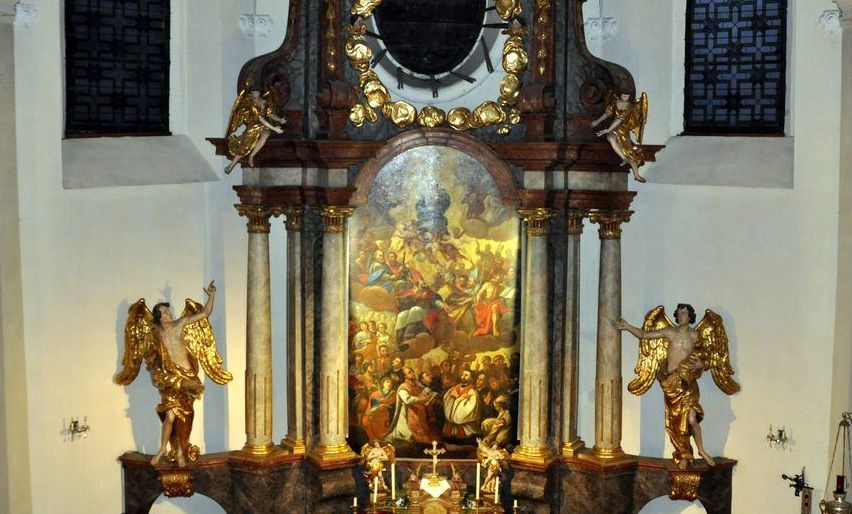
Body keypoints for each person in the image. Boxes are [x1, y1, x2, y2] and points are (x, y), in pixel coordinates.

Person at [115, 280, 232, 468]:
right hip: (170, 379)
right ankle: (163, 449)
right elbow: (152, 358)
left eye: (168, 311)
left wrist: (211, 296)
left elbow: (204, 313)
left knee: (185, 416)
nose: (169, 314)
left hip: (187, 377)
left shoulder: (180, 324)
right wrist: (156, 373)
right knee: (169, 416)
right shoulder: (156, 334)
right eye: (165, 312)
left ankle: (180, 451)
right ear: (159, 317)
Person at [612, 303, 739, 469]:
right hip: (672, 384)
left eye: (684, 313)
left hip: (689, 384)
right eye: (679, 313)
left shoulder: (696, 335)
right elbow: (644, 335)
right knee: (677, 424)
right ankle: (684, 455)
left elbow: (706, 355)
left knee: (692, 419)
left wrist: (700, 364)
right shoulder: (669, 332)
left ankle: (701, 450)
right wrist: (628, 327)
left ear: (690, 316)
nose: (681, 316)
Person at [590, 91, 648, 183]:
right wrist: (597, 121)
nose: (626, 98)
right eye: (624, 95)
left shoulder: (630, 106)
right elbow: (607, 113)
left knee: (628, 150)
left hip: (623, 129)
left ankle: (636, 174)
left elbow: (620, 119)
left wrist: (608, 129)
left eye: (628, 96)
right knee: (610, 138)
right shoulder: (614, 102)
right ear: (620, 95)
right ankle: (623, 158)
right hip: (613, 127)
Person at [224, 88, 286, 174]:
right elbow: (260, 119)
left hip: (264, 126)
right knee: (246, 145)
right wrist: (274, 128)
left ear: (260, 92)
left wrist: (280, 120)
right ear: (251, 93)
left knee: (266, 135)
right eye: (253, 92)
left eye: (257, 92)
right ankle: (231, 164)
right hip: (253, 126)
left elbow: (270, 114)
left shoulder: (264, 102)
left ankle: (251, 156)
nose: (255, 94)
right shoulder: (251, 104)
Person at [385, 367, 441, 443]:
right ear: (405, 376)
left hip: (419, 416)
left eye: (412, 371)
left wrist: (431, 396)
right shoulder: (403, 387)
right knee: (414, 438)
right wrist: (420, 399)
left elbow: (424, 395)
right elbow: (407, 400)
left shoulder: (417, 386)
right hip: (407, 417)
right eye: (409, 372)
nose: (413, 373)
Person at [442, 370, 482, 438]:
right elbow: (446, 403)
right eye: (462, 374)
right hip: (450, 428)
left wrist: (458, 397)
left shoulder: (473, 392)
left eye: (466, 375)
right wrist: (454, 397)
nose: (463, 376)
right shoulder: (453, 389)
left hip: (466, 429)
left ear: (471, 379)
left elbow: (469, 409)